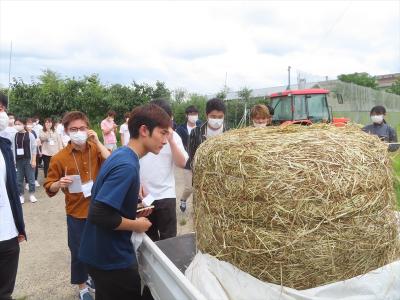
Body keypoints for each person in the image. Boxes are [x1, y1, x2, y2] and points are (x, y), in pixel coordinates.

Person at [79, 103, 171, 299]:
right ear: (144, 130)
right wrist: (136, 224)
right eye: (163, 133)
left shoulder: (121, 154)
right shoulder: (127, 165)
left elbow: (106, 202)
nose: (166, 140)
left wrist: (133, 210)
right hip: (110, 259)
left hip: (97, 252)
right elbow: (99, 213)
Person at [44, 111, 110, 300]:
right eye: (73, 129)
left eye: (82, 128)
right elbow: (49, 186)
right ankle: (82, 287)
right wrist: (59, 183)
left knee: (99, 247)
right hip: (76, 212)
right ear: (66, 131)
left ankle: (95, 277)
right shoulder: (59, 158)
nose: (78, 132)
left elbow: (113, 161)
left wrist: (97, 141)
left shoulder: (95, 149)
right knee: (79, 251)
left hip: (99, 209)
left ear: (88, 129)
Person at [139, 99, 188, 241]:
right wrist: (137, 184)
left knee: (169, 239)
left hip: (166, 195)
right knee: (148, 236)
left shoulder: (174, 137)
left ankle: (168, 262)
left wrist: (171, 140)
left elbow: (182, 163)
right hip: (144, 195)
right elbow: (132, 159)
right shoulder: (141, 134)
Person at [0, 99, 26, 300]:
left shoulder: (4, 146)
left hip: (7, 234)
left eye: (2, 108)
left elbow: (11, 190)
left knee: (5, 292)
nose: (2, 113)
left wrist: (18, 226)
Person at [188, 98, 227, 168]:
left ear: (224, 116)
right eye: (213, 117)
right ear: (207, 116)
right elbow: (191, 157)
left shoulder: (229, 133)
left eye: (220, 117)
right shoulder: (196, 133)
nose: (217, 120)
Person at [175, 105, 199, 212]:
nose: (193, 116)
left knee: (200, 187)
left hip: (200, 161)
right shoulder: (180, 129)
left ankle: (198, 207)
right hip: (187, 162)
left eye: (195, 114)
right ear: (187, 115)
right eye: (191, 114)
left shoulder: (201, 126)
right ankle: (183, 199)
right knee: (189, 187)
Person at [12, 117, 38, 204]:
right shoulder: (14, 135)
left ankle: (32, 194)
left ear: (24, 125)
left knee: (31, 178)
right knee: (19, 179)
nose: (17, 126)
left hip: (28, 159)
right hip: (18, 160)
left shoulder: (30, 135)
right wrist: (13, 160)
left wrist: (34, 160)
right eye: (16, 124)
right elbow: (12, 148)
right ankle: (21, 195)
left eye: (19, 124)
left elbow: (34, 148)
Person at [25, 118, 41, 187]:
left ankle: (35, 179)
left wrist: (39, 150)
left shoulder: (34, 132)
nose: (29, 125)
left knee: (35, 166)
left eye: (31, 124)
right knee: (26, 167)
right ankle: (27, 182)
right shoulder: (23, 132)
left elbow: (37, 141)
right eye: (28, 124)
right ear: (25, 125)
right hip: (26, 153)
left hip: (35, 152)